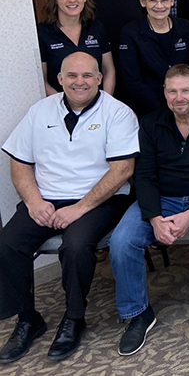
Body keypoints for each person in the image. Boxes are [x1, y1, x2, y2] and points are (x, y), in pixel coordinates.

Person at [0, 52, 138, 363]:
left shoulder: (118, 113)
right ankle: (27, 319)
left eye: (87, 75)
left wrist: (79, 208)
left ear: (99, 79)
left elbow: (122, 170)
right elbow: (19, 161)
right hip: (46, 198)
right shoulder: (39, 111)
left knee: (75, 246)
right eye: (72, 76)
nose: (80, 81)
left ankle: (74, 317)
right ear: (60, 79)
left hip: (99, 199)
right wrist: (35, 202)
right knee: (8, 245)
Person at [110, 64, 189, 354]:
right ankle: (138, 313)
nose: (179, 97)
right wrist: (155, 218)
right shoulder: (151, 124)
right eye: (172, 91)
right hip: (162, 198)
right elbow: (143, 176)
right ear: (165, 93)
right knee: (121, 241)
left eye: (185, 90)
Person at [118, 0, 189, 117]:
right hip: (148, 110)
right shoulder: (131, 33)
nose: (159, 6)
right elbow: (133, 80)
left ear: (172, 1)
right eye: (152, 1)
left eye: (164, 0)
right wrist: (159, 111)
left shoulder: (186, 28)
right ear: (143, 2)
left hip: (186, 106)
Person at [38, 0, 115, 96]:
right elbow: (42, 80)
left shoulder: (96, 27)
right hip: (60, 108)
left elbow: (108, 69)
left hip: (97, 105)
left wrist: (104, 102)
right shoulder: (43, 33)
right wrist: (62, 106)